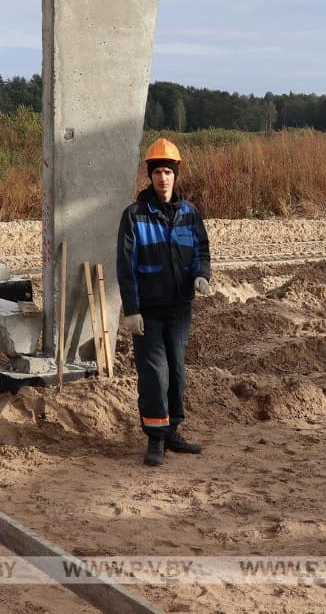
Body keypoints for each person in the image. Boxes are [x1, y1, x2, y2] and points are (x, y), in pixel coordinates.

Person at [116, 137, 212, 467]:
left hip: (179, 310)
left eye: (168, 172)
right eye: (157, 172)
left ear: (176, 174)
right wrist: (131, 310)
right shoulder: (135, 216)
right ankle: (155, 438)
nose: (163, 178)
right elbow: (125, 266)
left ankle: (172, 432)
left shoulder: (190, 214)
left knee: (177, 373)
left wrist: (202, 275)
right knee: (155, 374)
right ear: (150, 176)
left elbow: (202, 250)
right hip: (149, 312)